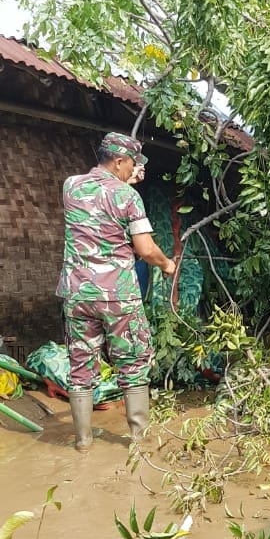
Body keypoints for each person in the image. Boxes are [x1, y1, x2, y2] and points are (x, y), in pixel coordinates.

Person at [57, 132, 176, 452]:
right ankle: (139, 443)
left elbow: (99, 202)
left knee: (81, 368)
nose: (133, 170)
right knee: (133, 365)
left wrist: (124, 185)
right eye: (131, 165)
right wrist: (167, 265)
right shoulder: (127, 197)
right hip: (118, 296)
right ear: (119, 161)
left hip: (78, 294)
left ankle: (82, 442)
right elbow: (146, 249)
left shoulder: (71, 186)